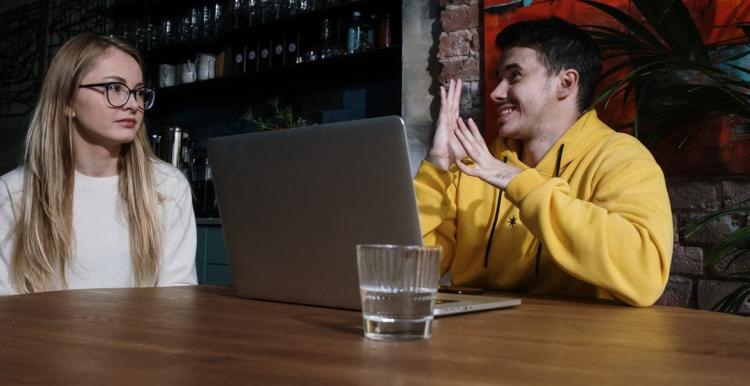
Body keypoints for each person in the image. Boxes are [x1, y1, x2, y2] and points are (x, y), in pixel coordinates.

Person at [415, 17, 673, 307]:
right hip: (476, 343)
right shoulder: (473, 166)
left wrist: (518, 182)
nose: (496, 93)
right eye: (499, 78)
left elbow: (645, 276)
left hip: (578, 345)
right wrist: (436, 167)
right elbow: (409, 274)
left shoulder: (622, 158)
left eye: (514, 76)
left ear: (565, 83)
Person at [0, 33, 197, 295]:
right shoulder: (14, 193)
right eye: (114, 88)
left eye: (139, 92)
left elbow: (178, 296)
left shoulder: (167, 187)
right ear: (67, 102)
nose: (133, 104)